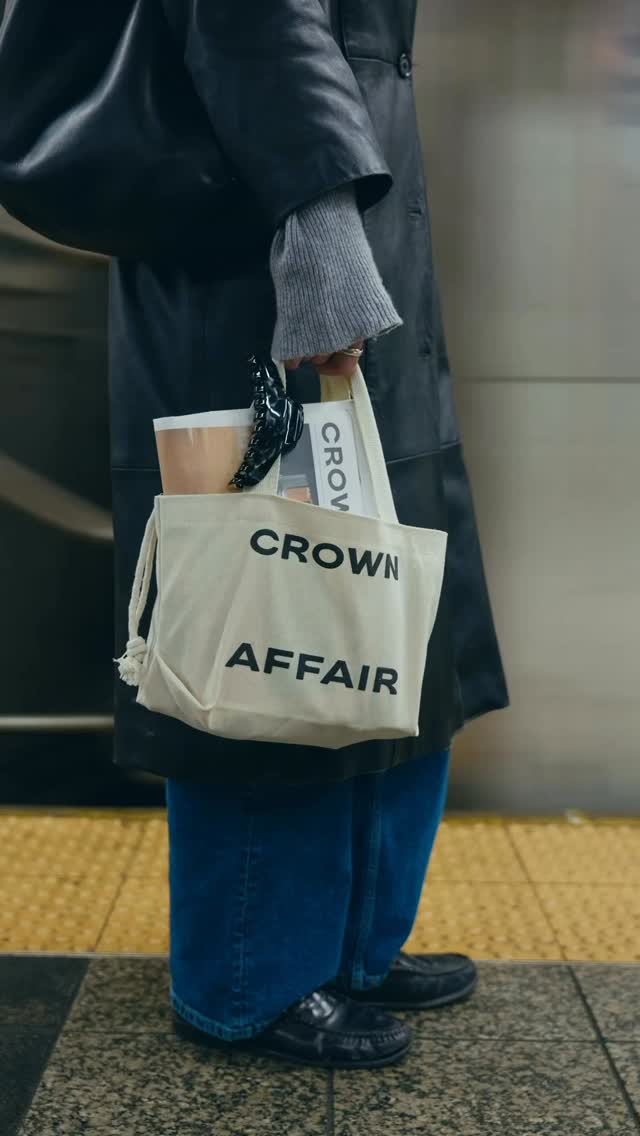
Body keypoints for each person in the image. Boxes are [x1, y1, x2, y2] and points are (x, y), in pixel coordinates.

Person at [109, 0, 509, 1069]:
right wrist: (323, 239)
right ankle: (252, 975)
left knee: (381, 614)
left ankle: (353, 943)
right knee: (262, 630)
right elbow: (256, 29)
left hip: (346, 251)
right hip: (279, 262)